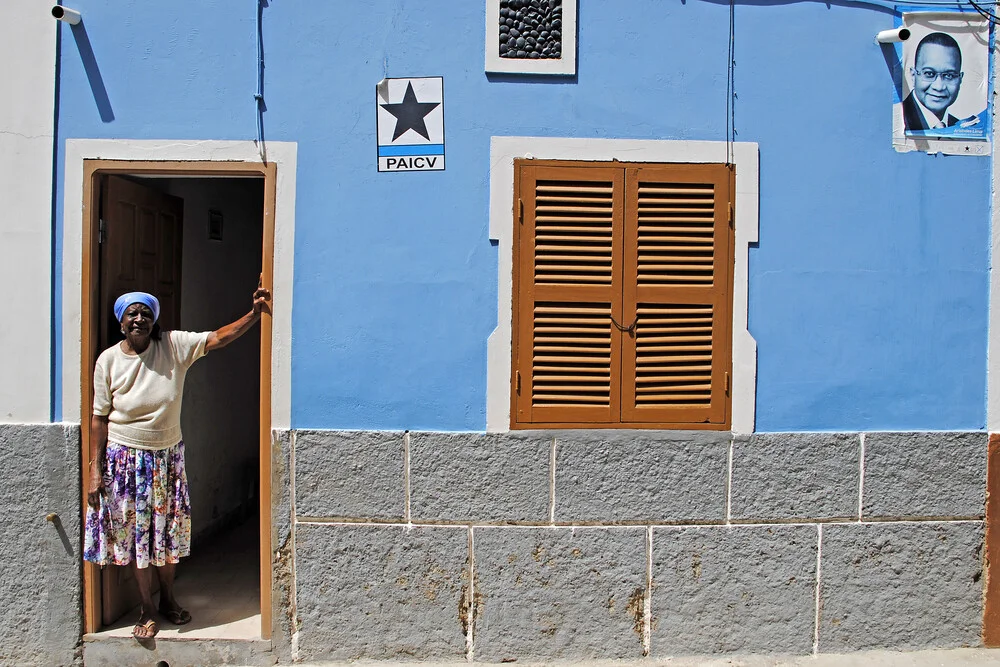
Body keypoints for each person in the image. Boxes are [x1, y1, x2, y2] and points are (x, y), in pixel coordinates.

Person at [83, 285, 270, 641]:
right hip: (125, 460)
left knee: (166, 533)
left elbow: (217, 339)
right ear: (121, 322)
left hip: (167, 457)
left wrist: (255, 314)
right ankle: (146, 608)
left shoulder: (172, 346)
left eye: (146, 314)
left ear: (154, 321)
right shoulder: (108, 360)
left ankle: (168, 598)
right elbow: (98, 417)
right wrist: (95, 469)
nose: (139, 319)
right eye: (132, 314)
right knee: (137, 536)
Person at [903, 32, 965, 132]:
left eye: (949, 75)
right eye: (929, 74)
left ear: (960, 79)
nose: (939, 87)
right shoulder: (896, 120)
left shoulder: (960, 128)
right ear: (913, 75)